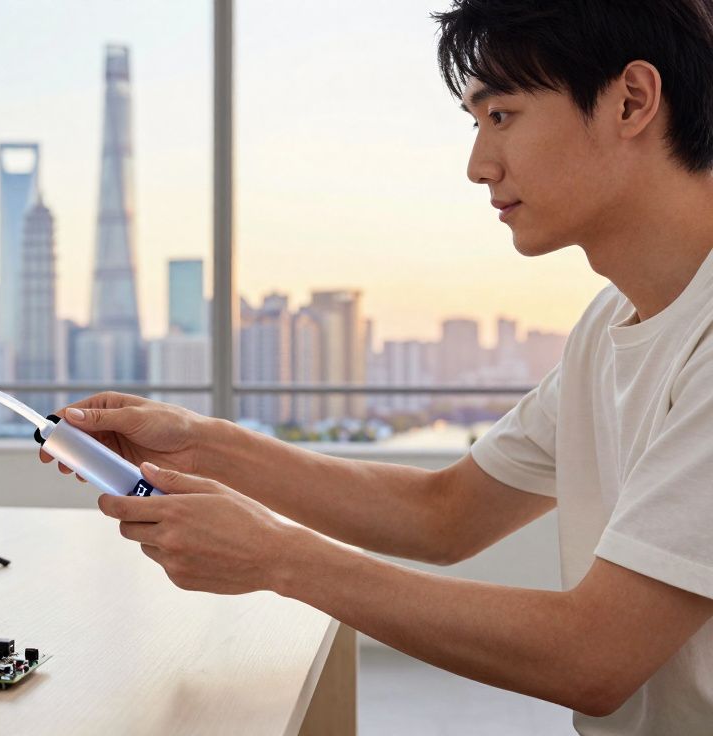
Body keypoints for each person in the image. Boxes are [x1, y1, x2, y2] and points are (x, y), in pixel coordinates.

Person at [41, 1, 713, 731]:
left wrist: (278, 557)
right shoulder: (608, 324)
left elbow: (595, 655)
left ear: (631, 101)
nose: (478, 166)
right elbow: (445, 515)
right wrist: (202, 443)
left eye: (502, 116)